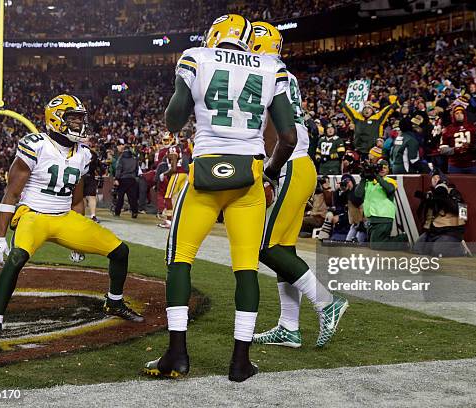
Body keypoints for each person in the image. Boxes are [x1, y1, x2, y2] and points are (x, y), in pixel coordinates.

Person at [143, 14, 297, 383]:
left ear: (215, 35)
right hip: (250, 176)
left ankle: (177, 353)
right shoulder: (271, 65)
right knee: (246, 268)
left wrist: (186, 86)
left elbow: (173, 120)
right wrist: (270, 171)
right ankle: (240, 362)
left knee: (179, 259)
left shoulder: (197, 57)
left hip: (205, 174)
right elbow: (288, 137)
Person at [0, 94, 143, 351]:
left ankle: (114, 301)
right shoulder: (36, 145)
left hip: (64, 217)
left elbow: (77, 198)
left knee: (120, 251)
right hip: (34, 216)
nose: (79, 124)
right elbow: (11, 193)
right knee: (16, 258)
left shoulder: (84, 154)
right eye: (73, 119)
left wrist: (77, 238)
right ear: (56, 120)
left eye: (80, 119)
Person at [250, 21, 348, 350]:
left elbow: (273, 131)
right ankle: (288, 327)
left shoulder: (264, 72)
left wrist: (266, 168)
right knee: (284, 251)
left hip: (291, 164)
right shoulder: (283, 74)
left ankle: (326, 302)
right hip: (297, 166)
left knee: (266, 248)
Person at [351, 160, 408, 250]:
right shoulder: (368, 181)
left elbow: (390, 189)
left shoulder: (390, 181)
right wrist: (363, 178)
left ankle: (402, 239)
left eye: (385, 167)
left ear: (388, 170)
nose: (382, 169)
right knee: (375, 245)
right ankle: (401, 242)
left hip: (383, 217)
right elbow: (358, 194)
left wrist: (376, 176)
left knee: (376, 246)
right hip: (371, 218)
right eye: (380, 167)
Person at [413, 170, 467, 257]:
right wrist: (426, 200)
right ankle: (437, 245)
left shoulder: (453, 192)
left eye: (438, 177)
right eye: (433, 178)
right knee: (417, 249)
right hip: (433, 231)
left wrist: (444, 198)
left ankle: (461, 249)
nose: (435, 180)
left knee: (438, 252)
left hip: (450, 231)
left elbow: (463, 214)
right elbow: (423, 216)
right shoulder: (431, 194)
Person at [440, 105, 476, 174]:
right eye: (457, 113)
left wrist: (472, 147)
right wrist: (455, 150)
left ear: (465, 114)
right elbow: (443, 150)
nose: (459, 115)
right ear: (453, 115)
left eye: (461, 113)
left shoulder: (473, 128)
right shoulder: (447, 130)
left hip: (472, 163)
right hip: (455, 165)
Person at [113, 143, 139, 218]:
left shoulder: (121, 158)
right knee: (132, 197)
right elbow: (137, 170)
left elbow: (118, 169)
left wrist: (116, 178)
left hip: (123, 179)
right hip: (132, 179)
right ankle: (134, 212)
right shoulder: (134, 158)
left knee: (120, 197)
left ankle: (117, 212)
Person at [82, 137, 101, 222]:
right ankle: (83, 214)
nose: (87, 143)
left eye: (87, 141)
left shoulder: (92, 153)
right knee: (82, 197)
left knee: (91, 196)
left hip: (89, 177)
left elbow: (97, 166)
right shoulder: (76, 152)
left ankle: (93, 215)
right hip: (82, 177)